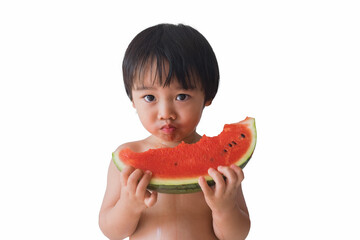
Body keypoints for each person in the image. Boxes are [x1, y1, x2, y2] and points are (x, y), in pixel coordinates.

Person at [99, 23, 250, 240]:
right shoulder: (127, 160)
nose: (165, 113)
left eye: (181, 96)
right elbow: (111, 231)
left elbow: (236, 236)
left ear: (207, 96)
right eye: (150, 97)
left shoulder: (221, 163)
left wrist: (224, 209)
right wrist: (129, 206)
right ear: (132, 99)